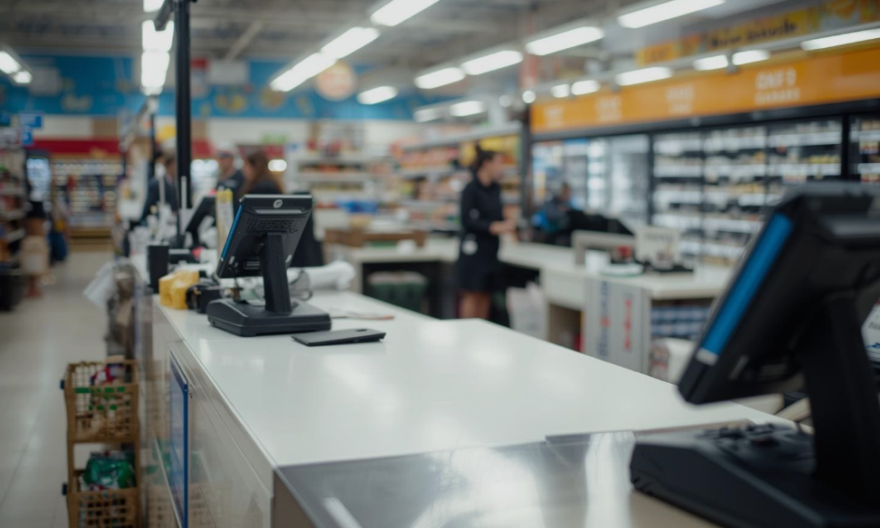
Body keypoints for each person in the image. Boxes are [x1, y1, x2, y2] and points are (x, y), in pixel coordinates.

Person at [456, 146, 516, 320]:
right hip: (473, 252)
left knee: (486, 294)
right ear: (487, 164)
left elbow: (498, 215)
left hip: (491, 250)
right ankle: (466, 331)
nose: (501, 168)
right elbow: (466, 220)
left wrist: (507, 223)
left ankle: (481, 332)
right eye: (499, 163)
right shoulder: (470, 189)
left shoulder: (496, 189)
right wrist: (492, 227)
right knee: (472, 294)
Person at [240, 150, 323, 267]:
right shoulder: (269, 183)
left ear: (254, 166)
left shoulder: (263, 187)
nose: (243, 170)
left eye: (245, 165)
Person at [139, 152, 178, 225]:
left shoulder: (178, 184)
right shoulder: (156, 184)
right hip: (161, 224)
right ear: (168, 166)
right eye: (174, 165)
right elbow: (148, 208)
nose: (177, 168)